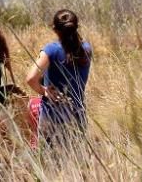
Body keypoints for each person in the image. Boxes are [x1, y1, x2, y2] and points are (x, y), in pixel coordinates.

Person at [25, 9, 93, 147]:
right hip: (77, 115)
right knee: (74, 161)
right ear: (76, 27)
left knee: (49, 161)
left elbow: (31, 78)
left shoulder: (51, 50)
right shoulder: (86, 49)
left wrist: (44, 90)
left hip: (52, 116)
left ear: (55, 30)